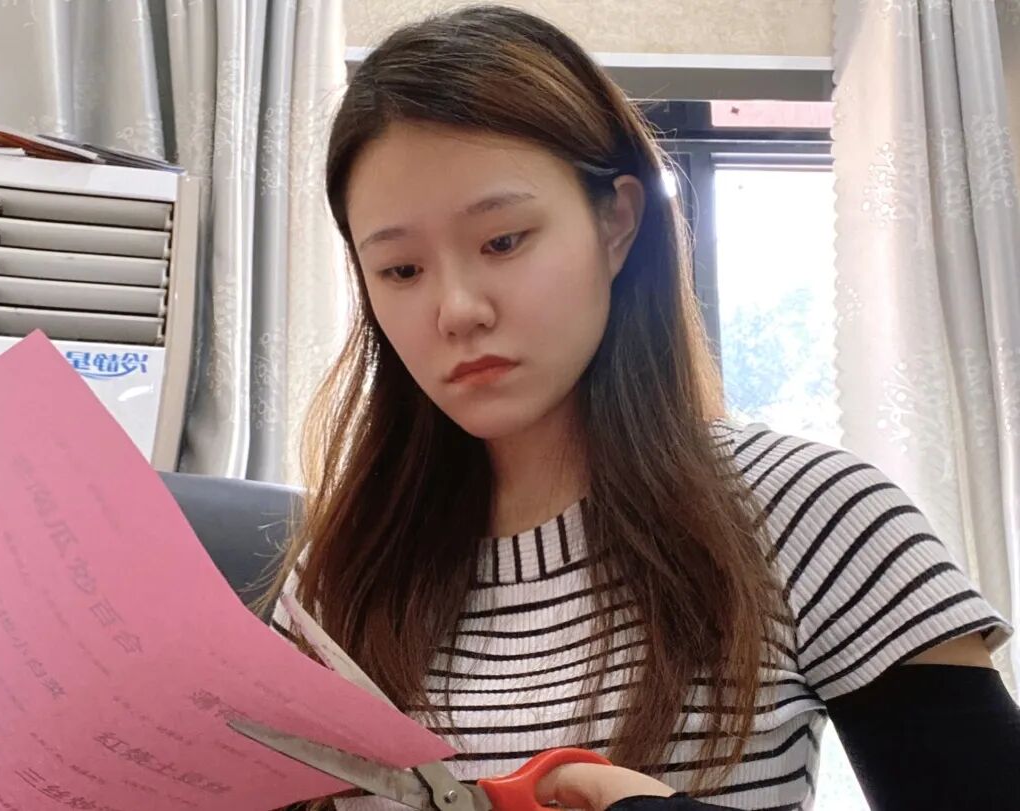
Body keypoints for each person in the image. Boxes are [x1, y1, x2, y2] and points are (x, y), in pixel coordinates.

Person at [264, 5, 1020, 809]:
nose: (457, 310)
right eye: (402, 270)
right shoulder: (337, 574)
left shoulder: (812, 514)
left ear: (617, 222)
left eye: (503, 241)